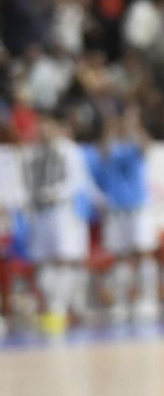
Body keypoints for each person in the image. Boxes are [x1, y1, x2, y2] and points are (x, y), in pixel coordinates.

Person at [26, 112, 94, 334]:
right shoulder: (33, 152)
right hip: (40, 212)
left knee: (66, 258)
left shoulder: (68, 150)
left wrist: (56, 193)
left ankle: (61, 307)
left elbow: (77, 181)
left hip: (63, 211)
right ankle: (51, 306)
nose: (43, 130)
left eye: (48, 125)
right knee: (44, 260)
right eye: (40, 126)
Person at [95, 106, 161, 323]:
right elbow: (102, 152)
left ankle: (148, 299)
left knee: (143, 253)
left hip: (138, 207)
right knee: (119, 257)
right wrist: (110, 125)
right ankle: (120, 301)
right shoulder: (112, 146)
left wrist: (135, 126)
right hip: (117, 208)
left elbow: (147, 147)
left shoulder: (136, 144)